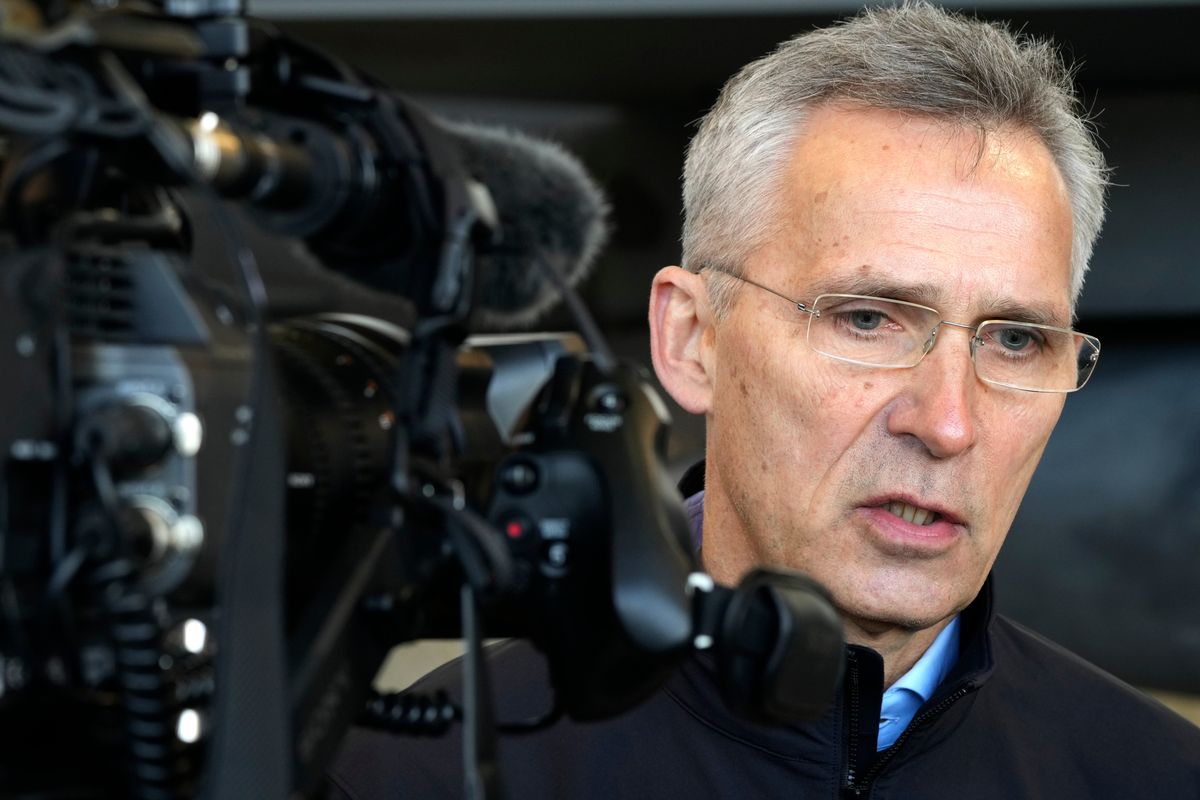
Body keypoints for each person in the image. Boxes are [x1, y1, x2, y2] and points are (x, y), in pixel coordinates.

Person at [327, 3, 1200, 797]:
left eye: (1014, 340)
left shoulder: (1156, 776)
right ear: (691, 339)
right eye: (867, 319)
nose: (947, 423)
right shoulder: (414, 772)